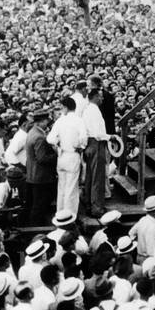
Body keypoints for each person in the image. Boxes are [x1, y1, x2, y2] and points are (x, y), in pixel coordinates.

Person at [46, 96, 87, 218]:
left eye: (62, 107)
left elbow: (50, 138)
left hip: (62, 155)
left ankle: (60, 214)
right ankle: (69, 216)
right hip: (73, 155)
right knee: (71, 188)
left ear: (66, 107)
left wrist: (58, 142)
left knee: (62, 187)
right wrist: (80, 146)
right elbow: (83, 139)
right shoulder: (79, 120)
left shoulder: (60, 121)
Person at [25, 107, 58, 223]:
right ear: (40, 121)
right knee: (39, 205)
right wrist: (57, 155)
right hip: (41, 177)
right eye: (45, 121)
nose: (47, 124)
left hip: (34, 175)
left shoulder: (32, 131)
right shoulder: (39, 137)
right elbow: (42, 158)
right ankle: (36, 228)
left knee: (36, 204)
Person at [82, 88, 110, 217]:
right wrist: (110, 137)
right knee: (97, 177)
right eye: (100, 96)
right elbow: (98, 134)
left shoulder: (89, 110)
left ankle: (89, 204)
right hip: (96, 143)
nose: (102, 98)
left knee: (90, 176)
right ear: (94, 97)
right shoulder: (93, 111)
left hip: (90, 144)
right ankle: (97, 208)